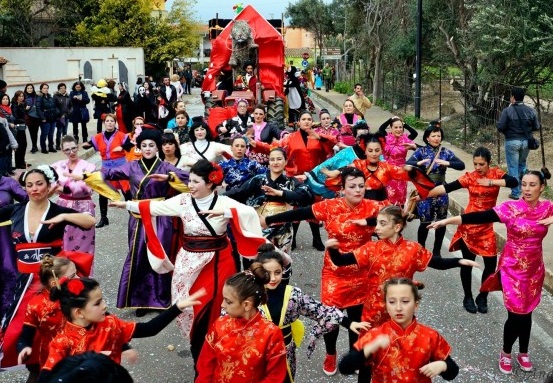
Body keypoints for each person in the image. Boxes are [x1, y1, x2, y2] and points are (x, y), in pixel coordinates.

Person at [109, 159, 267, 364]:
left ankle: (213, 348)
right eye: (189, 180)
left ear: (210, 183)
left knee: (213, 307)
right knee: (188, 306)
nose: (190, 185)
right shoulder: (182, 201)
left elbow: (247, 213)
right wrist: (127, 204)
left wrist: (227, 213)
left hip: (218, 262)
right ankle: (199, 349)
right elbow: (157, 207)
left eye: (195, 181)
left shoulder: (223, 203)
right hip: (188, 261)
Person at [428, 169, 553, 375]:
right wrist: (447, 221)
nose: (527, 189)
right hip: (513, 269)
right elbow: (479, 216)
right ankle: (505, 352)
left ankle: (523, 352)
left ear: (542, 187)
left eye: (532, 185)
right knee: (516, 313)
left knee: (527, 311)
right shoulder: (510, 208)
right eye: (524, 184)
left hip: (534, 269)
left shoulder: (547, 207)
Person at [263, 168, 381, 376]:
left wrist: (372, 222)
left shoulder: (373, 207)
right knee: (332, 317)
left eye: (361, 186)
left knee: (358, 317)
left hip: (363, 272)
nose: (357, 190)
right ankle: (330, 353)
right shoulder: (330, 206)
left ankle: (354, 355)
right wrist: (269, 220)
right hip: (335, 273)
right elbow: (301, 212)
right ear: (342, 189)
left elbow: (397, 218)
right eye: (352, 186)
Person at [71, 129, 189, 315]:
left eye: (151, 145)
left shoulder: (166, 167)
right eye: (144, 146)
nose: (148, 149)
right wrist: (86, 176)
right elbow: (109, 174)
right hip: (138, 218)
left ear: (157, 147)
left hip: (160, 217)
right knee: (138, 255)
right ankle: (141, 300)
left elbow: (187, 180)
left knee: (161, 256)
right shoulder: (131, 166)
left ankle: (162, 299)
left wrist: (170, 178)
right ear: (139, 148)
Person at [0, 166, 95, 370]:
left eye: (39, 184)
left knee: (62, 326)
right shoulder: (16, 210)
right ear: (24, 188)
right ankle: (35, 367)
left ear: (49, 185)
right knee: (20, 331)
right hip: (25, 282)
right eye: (29, 185)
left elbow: (90, 221)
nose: (35, 189)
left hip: (53, 279)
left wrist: (65, 217)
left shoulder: (56, 210)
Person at [38, 277, 205, 382]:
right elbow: (47, 377)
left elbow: (149, 329)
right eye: (97, 303)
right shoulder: (62, 342)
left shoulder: (109, 324)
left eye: (102, 300)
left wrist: (178, 307)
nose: (105, 306)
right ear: (79, 312)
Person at [256, 244, 370, 383]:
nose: (273, 278)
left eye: (277, 272)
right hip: (256, 351)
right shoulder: (248, 295)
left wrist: (348, 322)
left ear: (283, 271)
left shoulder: (292, 294)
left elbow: (319, 310)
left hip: (284, 352)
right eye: (267, 273)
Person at [427, 146, 518, 314]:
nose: (477, 168)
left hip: (486, 226)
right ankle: (467, 296)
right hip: (468, 225)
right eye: (475, 164)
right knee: (467, 263)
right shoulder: (470, 177)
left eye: (481, 164)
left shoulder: (496, 174)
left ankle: (482, 296)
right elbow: (447, 188)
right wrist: (425, 194)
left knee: (490, 264)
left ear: (489, 163)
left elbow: (514, 182)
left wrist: (492, 182)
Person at [339, 277, 460, 382]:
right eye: (392, 302)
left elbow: (452, 372)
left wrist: (443, 365)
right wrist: (369, 348)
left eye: (405, 301)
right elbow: (345, 367)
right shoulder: (376, 335)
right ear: (386, 305)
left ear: (416, 304)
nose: (398, 308)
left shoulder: (430, 336)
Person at [251, 111, 337, 251]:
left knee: (314, 209)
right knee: (296, 209)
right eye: (304, 119)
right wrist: (257, 145)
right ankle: (293, 238)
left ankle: (316, 239)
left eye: (309, 119)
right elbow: (274, 148)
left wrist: (320, 137)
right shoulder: (290, 138)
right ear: (299, 122)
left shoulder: (317, 137)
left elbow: (330, 149)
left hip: (313, 178)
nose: (307, 121)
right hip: (295, 178)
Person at [195, 265, 287, 383]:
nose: (222, 305)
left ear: (247, 305)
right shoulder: (220, 324)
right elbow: (205, 366)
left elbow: (275, 377)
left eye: (229, 302)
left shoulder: (271, 334)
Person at [225, 147, 312, 257]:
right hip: (260, 226)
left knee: (282, 262)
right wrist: (214, 198)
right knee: (259, 262)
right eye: (272, 159)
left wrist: (280, 193)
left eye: (279, 159)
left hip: (284, 228)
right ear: (269, 162)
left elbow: (306, 195)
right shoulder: (258, 180)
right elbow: (238, 193)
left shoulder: (291, 182)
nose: (275, 162)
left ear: (285, 162)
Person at [406, 122, 465, 256]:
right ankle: (421, 250)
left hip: (442, 190)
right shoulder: (421, 151)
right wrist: (418, 163)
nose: (436, 138)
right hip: (425, 192)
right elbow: (407, 164)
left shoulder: (445, 152)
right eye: (433, 136)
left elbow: (461, 165)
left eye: (438, 136)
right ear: (427, 138)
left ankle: (437, 251)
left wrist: (448, 163)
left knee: (441, 222)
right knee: (425, 222)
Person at [16, 256, 76, 382]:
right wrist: (24, 347)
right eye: (73, 276)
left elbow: (104, 320)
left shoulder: (78, 296)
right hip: (50, 357)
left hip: (78, 351)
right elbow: (26, 333)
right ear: (55, 282)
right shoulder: (36, 305)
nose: (78, 278)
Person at [82, 113, 132, 228]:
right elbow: (89, 144)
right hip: (106, 167)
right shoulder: (99, 136)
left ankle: (133, 215)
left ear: (115, 123)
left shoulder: (121, 135)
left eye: (112, 121)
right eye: (108, 121)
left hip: (121, 167)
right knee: (103, 191)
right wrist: (85, 145)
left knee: (127, 192)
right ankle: (104, 218)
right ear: (104, 123)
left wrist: (123, 147)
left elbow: (129, 145)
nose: (110, 123)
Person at [51, 136, 96, 255]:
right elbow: (50, 184)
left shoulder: (89, 166)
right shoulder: (57, 166)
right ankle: (64, 271)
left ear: (78, 147)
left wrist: (63, 188)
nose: (71, 152)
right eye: (67, 150)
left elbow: (88, 188)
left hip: (84, 207)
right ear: (62, 151)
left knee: (84, 242)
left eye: (74, 148)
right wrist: (67, 188)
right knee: (61, 240)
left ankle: (82, 271)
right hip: (62, 206)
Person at [496, 87, 540, 200]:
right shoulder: (531, 110)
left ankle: (515, 192)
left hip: (511, 141)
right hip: (526, 142)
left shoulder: (507, 111)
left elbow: (500, 126)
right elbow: (536, 126)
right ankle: (525, 191)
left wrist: (508, 131)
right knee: (522, 165)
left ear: (513, 98)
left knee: (513, 167)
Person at [0, 173, 28, 318]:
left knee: (9, 269)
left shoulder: (7, 182)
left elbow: (27, 199)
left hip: (4, 234)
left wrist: (10, 209)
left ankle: (10, 311)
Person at [378, 116, 418, 207]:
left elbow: (414, 134)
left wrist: (404, 124)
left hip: (401, 172)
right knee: (387, 198)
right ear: (391, 128)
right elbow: (381, 128)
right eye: (395, 127)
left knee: (400, 198)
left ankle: (400, 218)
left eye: (400, 127)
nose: (398, 129)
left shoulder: (405, 139)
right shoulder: (386, 138)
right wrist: (390, 119)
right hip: (388, 172)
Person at [36, 83, 59, 154]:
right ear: (41, 89)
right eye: (44, 88)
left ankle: (51, 147)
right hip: (45, 119)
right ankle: (43, 148)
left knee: (51, 134)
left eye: (47, 88)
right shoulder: (39, 98)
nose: (46, 89)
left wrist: (55, 114)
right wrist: (42, 117)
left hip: (52, 118)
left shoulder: (50, 97)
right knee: (44, 133)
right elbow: (38, 109)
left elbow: (54, 106)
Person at [11, 91, 30, 169]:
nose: (21, 98)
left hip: (22, 127)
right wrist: (24, 120)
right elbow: (15, 118)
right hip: (18, 128)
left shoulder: (22, 104)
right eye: (20, 96)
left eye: (22, 96)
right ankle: (19, 164)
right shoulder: (15, 106)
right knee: (20, 145)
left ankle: (22, 161)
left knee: (24, 145)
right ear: (16, 97)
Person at [24, 84, 41, 154]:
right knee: (31, 132)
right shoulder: (24, 97)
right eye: (28, 88)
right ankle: (34, 147)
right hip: (29, 117)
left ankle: (35, 146)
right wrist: (25, 109)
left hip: (36, 117)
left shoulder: (36, 96)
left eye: (31, 88)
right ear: (26, 89)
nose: (30, 89)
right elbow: (21, 108)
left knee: (35, 132)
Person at [53, 83, 71, 151]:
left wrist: (68, 112)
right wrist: (60, 114)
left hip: (66, 116)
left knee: (65, 131)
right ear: (59, 89)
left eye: (64, 88)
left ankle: (65, 145)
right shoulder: (56, 96)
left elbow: (71, 106)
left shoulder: (68, 96)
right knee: (59, 130)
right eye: (61, 88)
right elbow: (55, 106)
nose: (63, 89)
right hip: (59, 117)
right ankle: (58, 144)